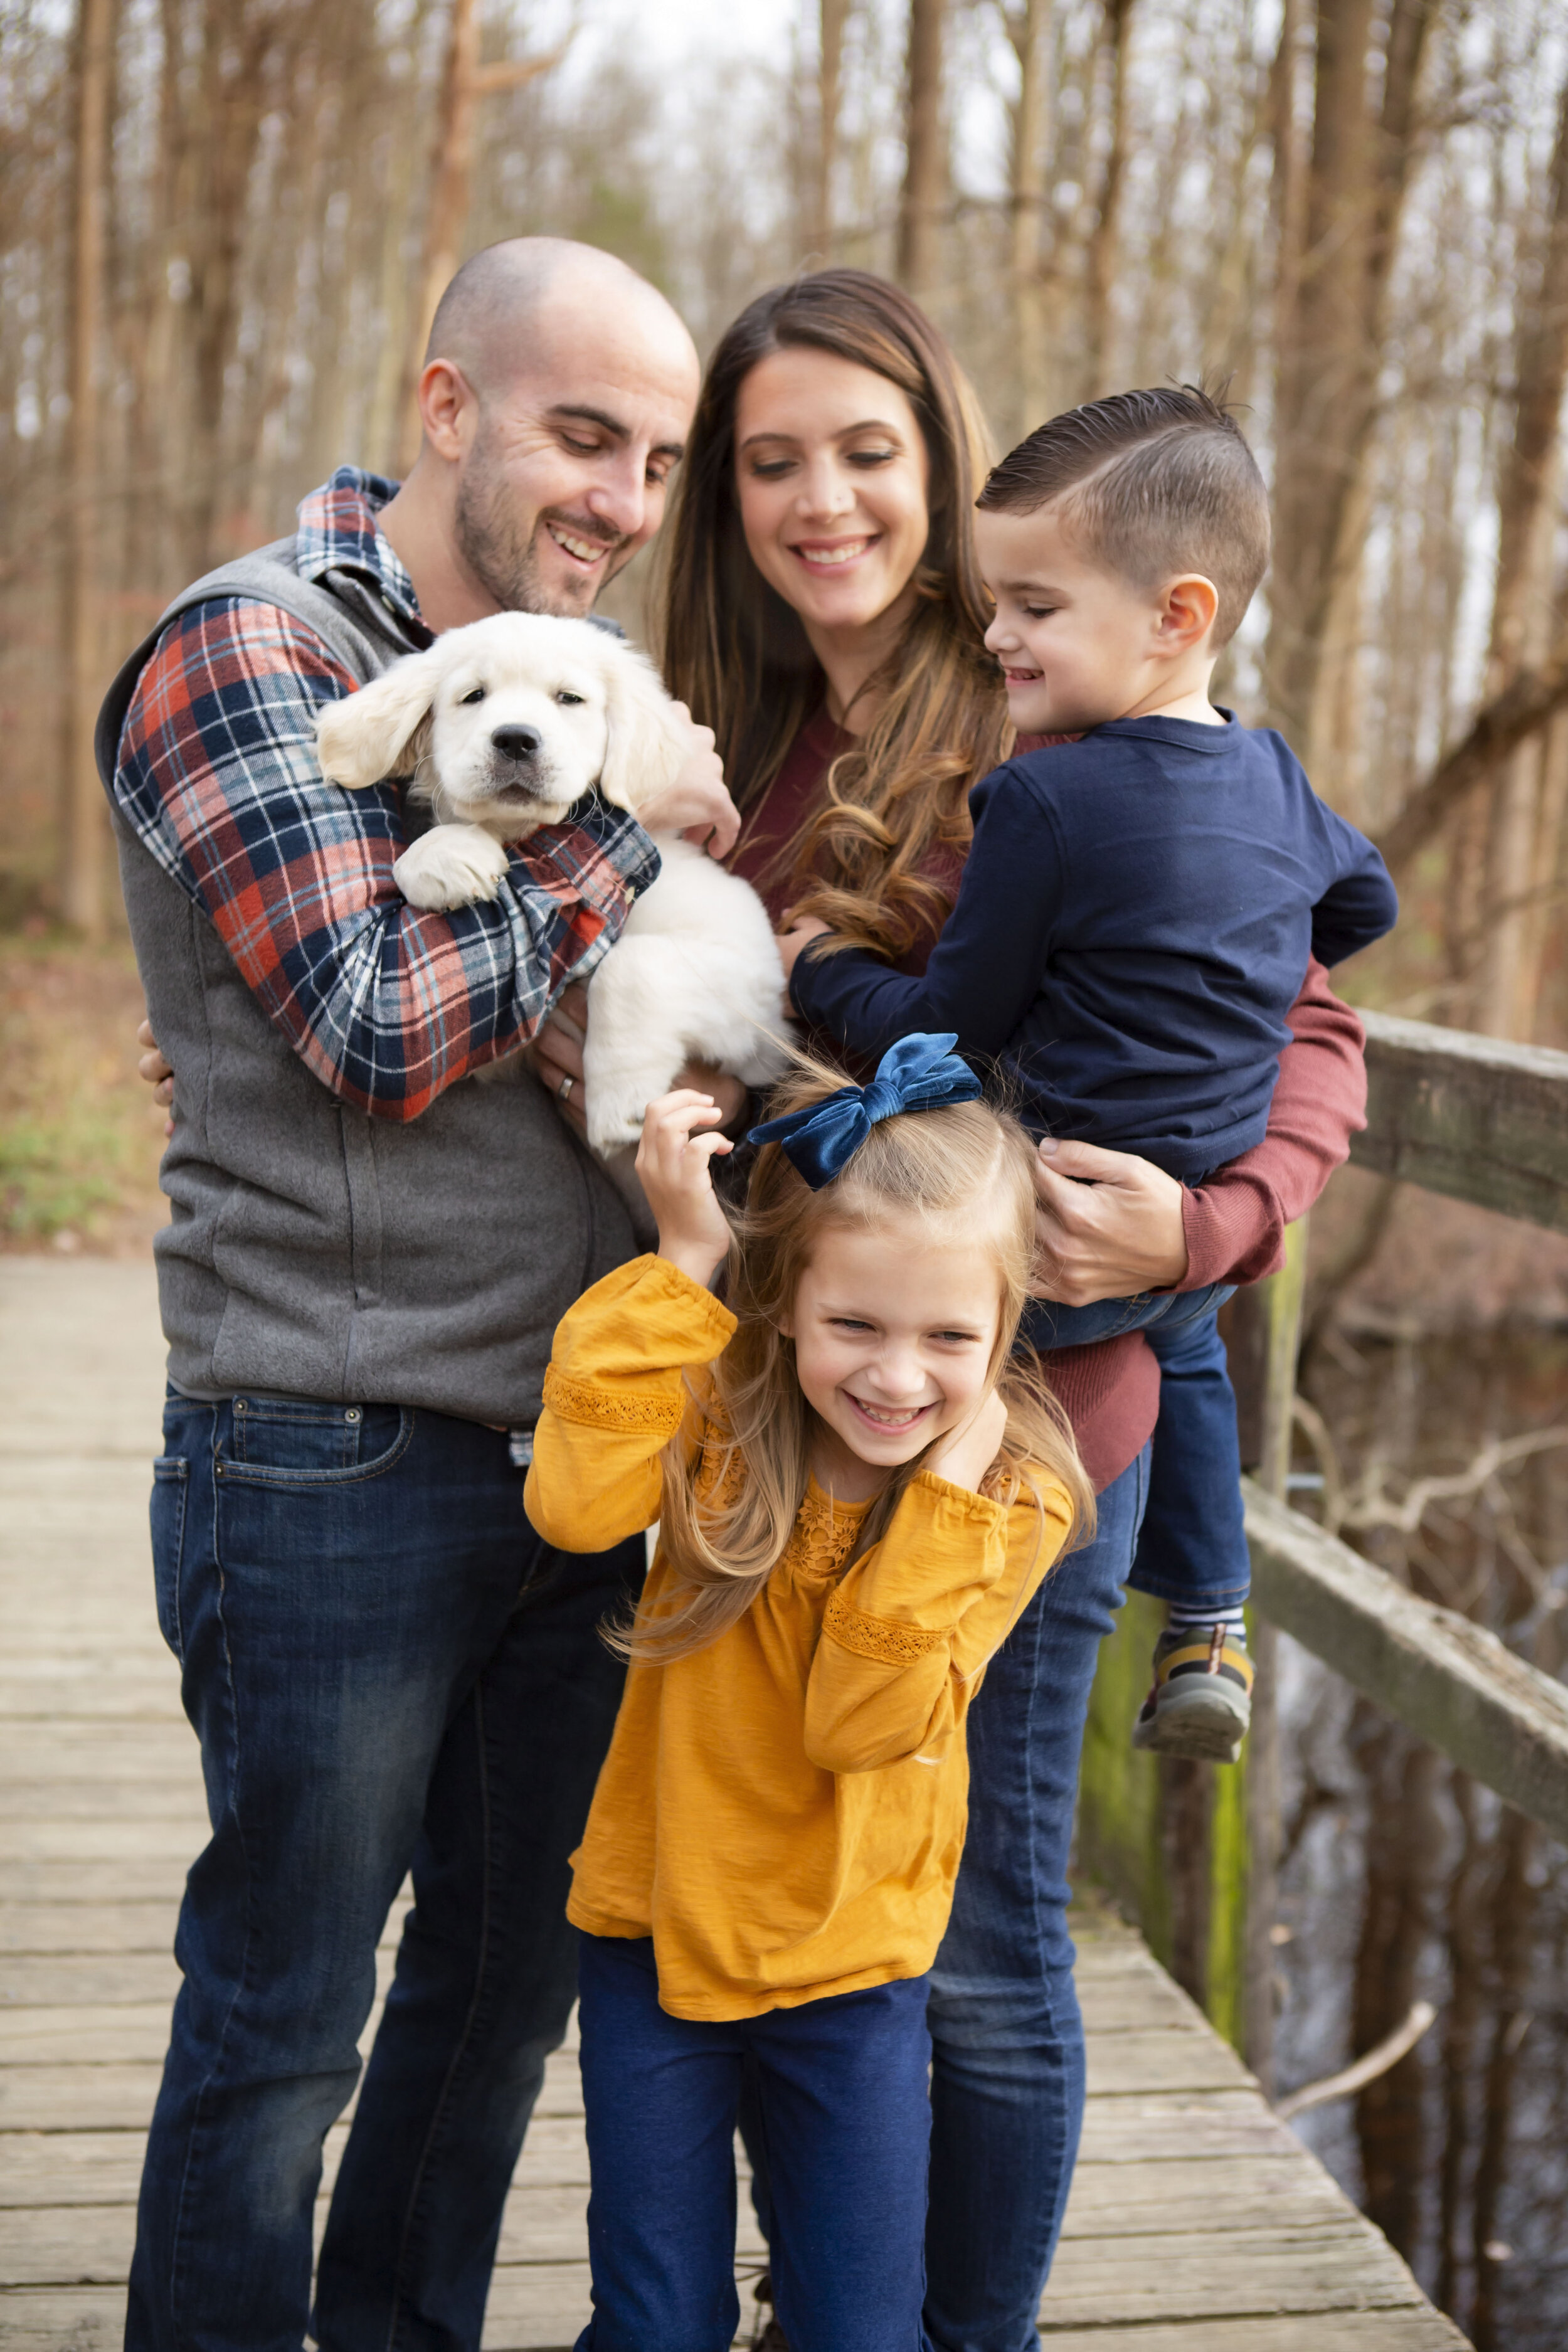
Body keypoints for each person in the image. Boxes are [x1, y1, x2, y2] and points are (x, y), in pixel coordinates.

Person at [538, 268, 1369, 2352]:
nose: (823, 499)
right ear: (725, 501)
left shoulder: (1070, 695)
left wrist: (1209, 1224)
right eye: (769, 461)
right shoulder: (689, 728)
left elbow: (1315, 1022)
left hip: (1010, 1421)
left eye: (867, 451)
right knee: (742, 1890)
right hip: (742, 1423)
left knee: (977, 1939)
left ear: (944, 462)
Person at [99, 238, 743, 2352]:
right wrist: (617, 844)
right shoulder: (250, 649)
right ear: (446, 405)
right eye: (586, 435)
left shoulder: (566, 686)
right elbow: (372, 1024)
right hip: (330, 1444)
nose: (628, 498)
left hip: (577, 1461)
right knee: (289, 2020)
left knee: (492, 2016)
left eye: (657, 460)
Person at [783, 385, 1399, 1766]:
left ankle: (867, 1650)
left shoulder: (1041, 799)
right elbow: (1361, 913)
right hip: (1176, 1223)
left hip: (1042, 1240)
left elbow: (949, 1027)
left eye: (1033, 607)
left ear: (1173, 615)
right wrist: (1238, 947)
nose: (995, 631)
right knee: (1188, 1350)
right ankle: (1208, 1616)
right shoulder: (1276, 781)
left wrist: (819, 965)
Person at [523, 1039, 1092, 2351]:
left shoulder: (1010, 1503)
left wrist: (940, 1497)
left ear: (1006, 1329)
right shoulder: (720, 1423)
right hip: (654, 1939)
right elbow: (571, 1503)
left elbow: (856, 1719)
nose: (896, 1379)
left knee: (853, 2326)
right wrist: (681, 1264)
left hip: (852, 1971)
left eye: (950, 1338)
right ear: (788, 1305)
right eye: (855, 1327)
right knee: (654, 2321)